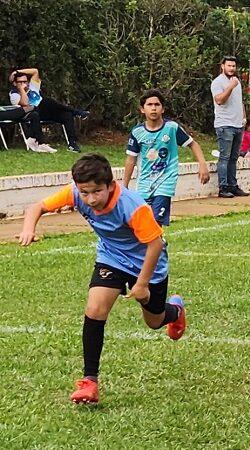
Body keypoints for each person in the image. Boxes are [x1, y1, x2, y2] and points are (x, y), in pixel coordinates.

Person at [17, 153, 187, 404]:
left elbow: (155, 244)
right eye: (84, 192)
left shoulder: (132, 206)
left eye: (97, 191)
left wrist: (141, 285)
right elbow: (37, 207)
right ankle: (89, 382)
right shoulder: (75, 192)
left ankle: (174, 312)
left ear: (110, 185)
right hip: (112, 258)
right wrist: (28, 228)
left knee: (154, 321)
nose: (90, 199)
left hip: (148, 264)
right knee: (95, 309)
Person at [123, 89, 210, 226]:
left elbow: (193, 144)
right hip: (144, 183)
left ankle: (158, 246)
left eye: (157, 105)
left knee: (156, 221)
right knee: (143, 222)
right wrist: (124, 186)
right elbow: (131, 159)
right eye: (149, 105)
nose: (153, 108)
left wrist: (202, 165)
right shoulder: (137, 132)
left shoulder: (171, 128)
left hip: (165, 182)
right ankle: (157, 244)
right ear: (142, 109)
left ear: (162, 109)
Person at [9, 68, 89, 153]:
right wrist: (22, 89)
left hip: (46, 111)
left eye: (25, 82)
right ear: (15, 83)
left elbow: (35, 71)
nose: (23, 84)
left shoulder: (32, 87)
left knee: (67, 115)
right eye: (20, 82)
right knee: (47, 101)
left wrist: (17, 72)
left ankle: (72, 144)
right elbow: (25, 103)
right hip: (32, 115)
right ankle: (77, 112)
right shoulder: (14, 94)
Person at [211, 56, 249, 198]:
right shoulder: (218, 82)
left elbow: (239, 102)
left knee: (234, 157)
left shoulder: (236, 81)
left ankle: (233, 186)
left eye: (234, 66)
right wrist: (231, 87)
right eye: (229, 66)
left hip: (238, 124)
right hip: (224, 124)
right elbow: (220, 100)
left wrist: (243, 117)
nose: (232, 68)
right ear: (222, 66)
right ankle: (223, 187)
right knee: (225, 157)